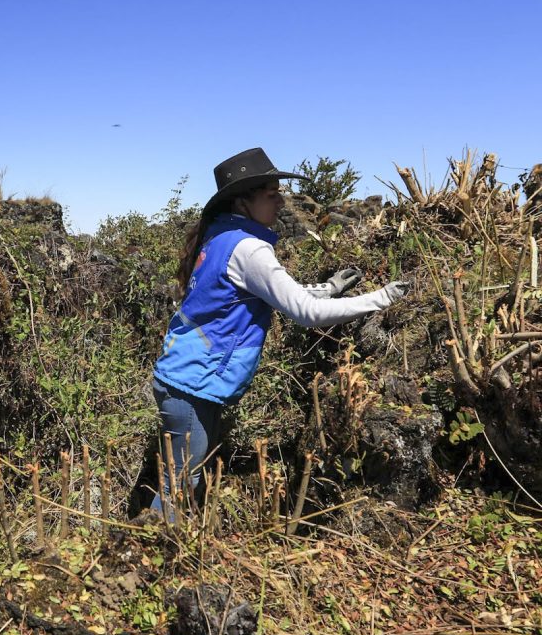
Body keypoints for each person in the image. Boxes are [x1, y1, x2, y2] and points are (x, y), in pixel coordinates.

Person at [151, 148, 409, 513]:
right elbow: (306, 313)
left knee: (184, 483)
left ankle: (169, 556)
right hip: (190, 383)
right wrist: (380, 299)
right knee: (178, 488)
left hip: (187, 378)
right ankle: (148, 559)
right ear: (243, 202)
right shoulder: (249, 249)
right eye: (272, 195)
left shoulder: (222, 238)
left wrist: (329, 288)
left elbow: (274, 293)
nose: (281, 202)